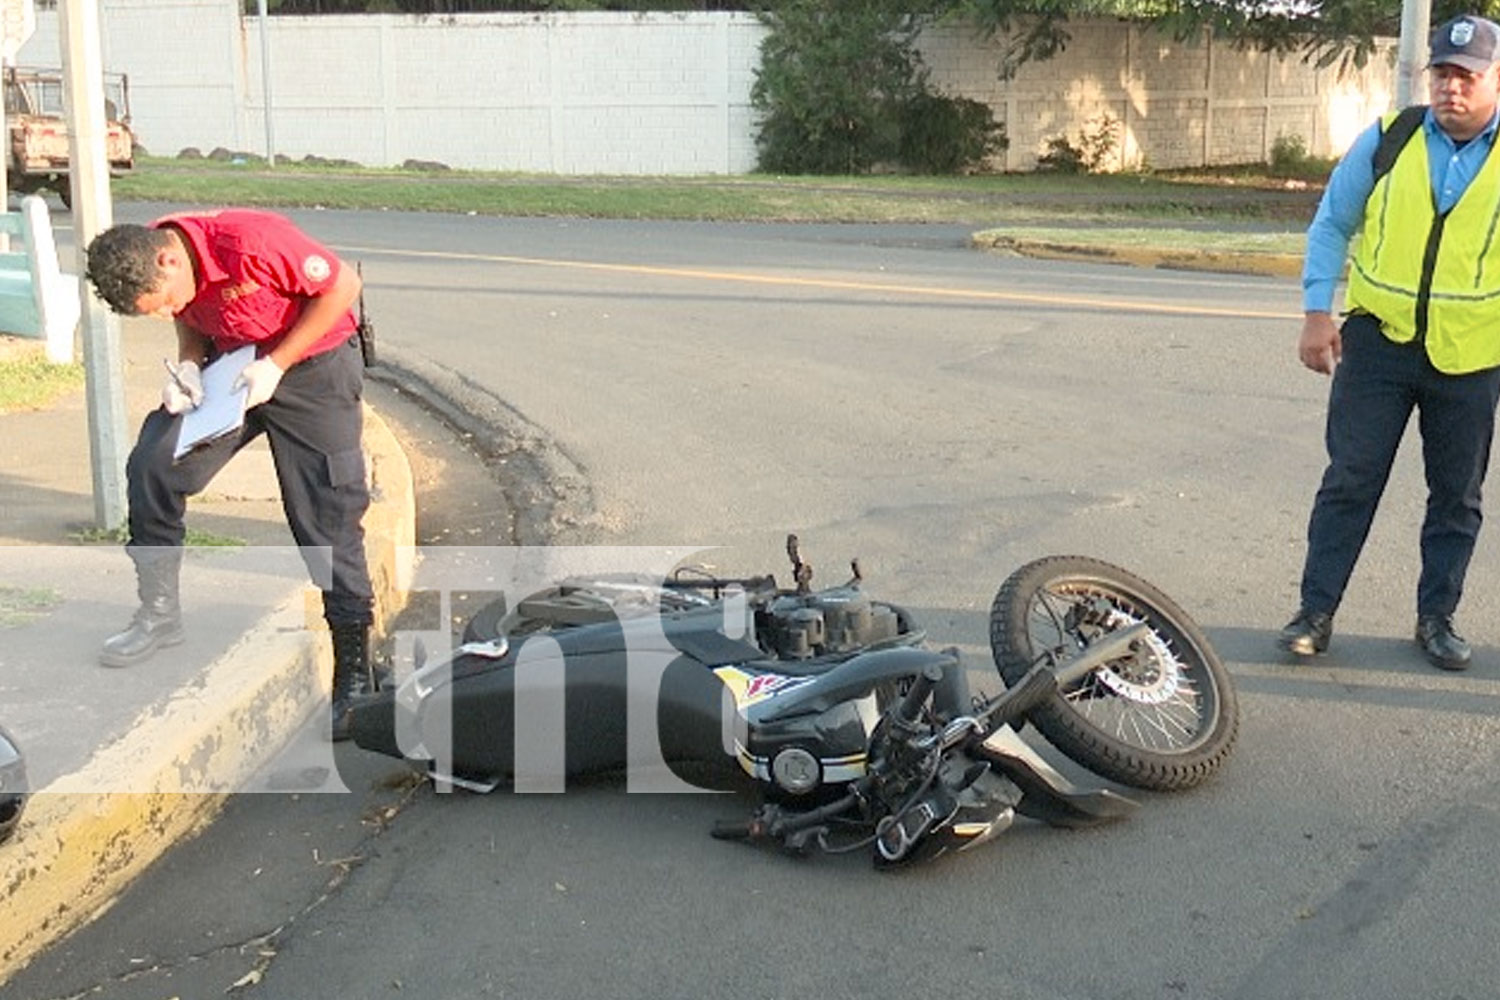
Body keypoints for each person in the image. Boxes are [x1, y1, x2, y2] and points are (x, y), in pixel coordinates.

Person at [85, 209, 374, 738]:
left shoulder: (251, 243)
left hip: (311, 364)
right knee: (153, 465)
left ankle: (354, 662)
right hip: (232, 366)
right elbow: (189, 311)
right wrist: (190, 363)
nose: (169, 310)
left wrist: (278, 364)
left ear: (168, 260)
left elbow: (343, 286)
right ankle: (159, 613)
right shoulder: (164, 250)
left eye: (166, 301)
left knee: (326, 512)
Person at [1279, 13, 1500, 672]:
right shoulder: (1390, 140)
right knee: (1350, 479)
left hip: (1472, 355)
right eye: (1442, 73)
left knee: (1456, 497)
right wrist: (1317, 313)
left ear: (1495, 80)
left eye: (1467, 76)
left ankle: (1437, 618)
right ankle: (1314, 612)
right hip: (1378, 345)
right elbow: (1331, 224)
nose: (1451, 88)